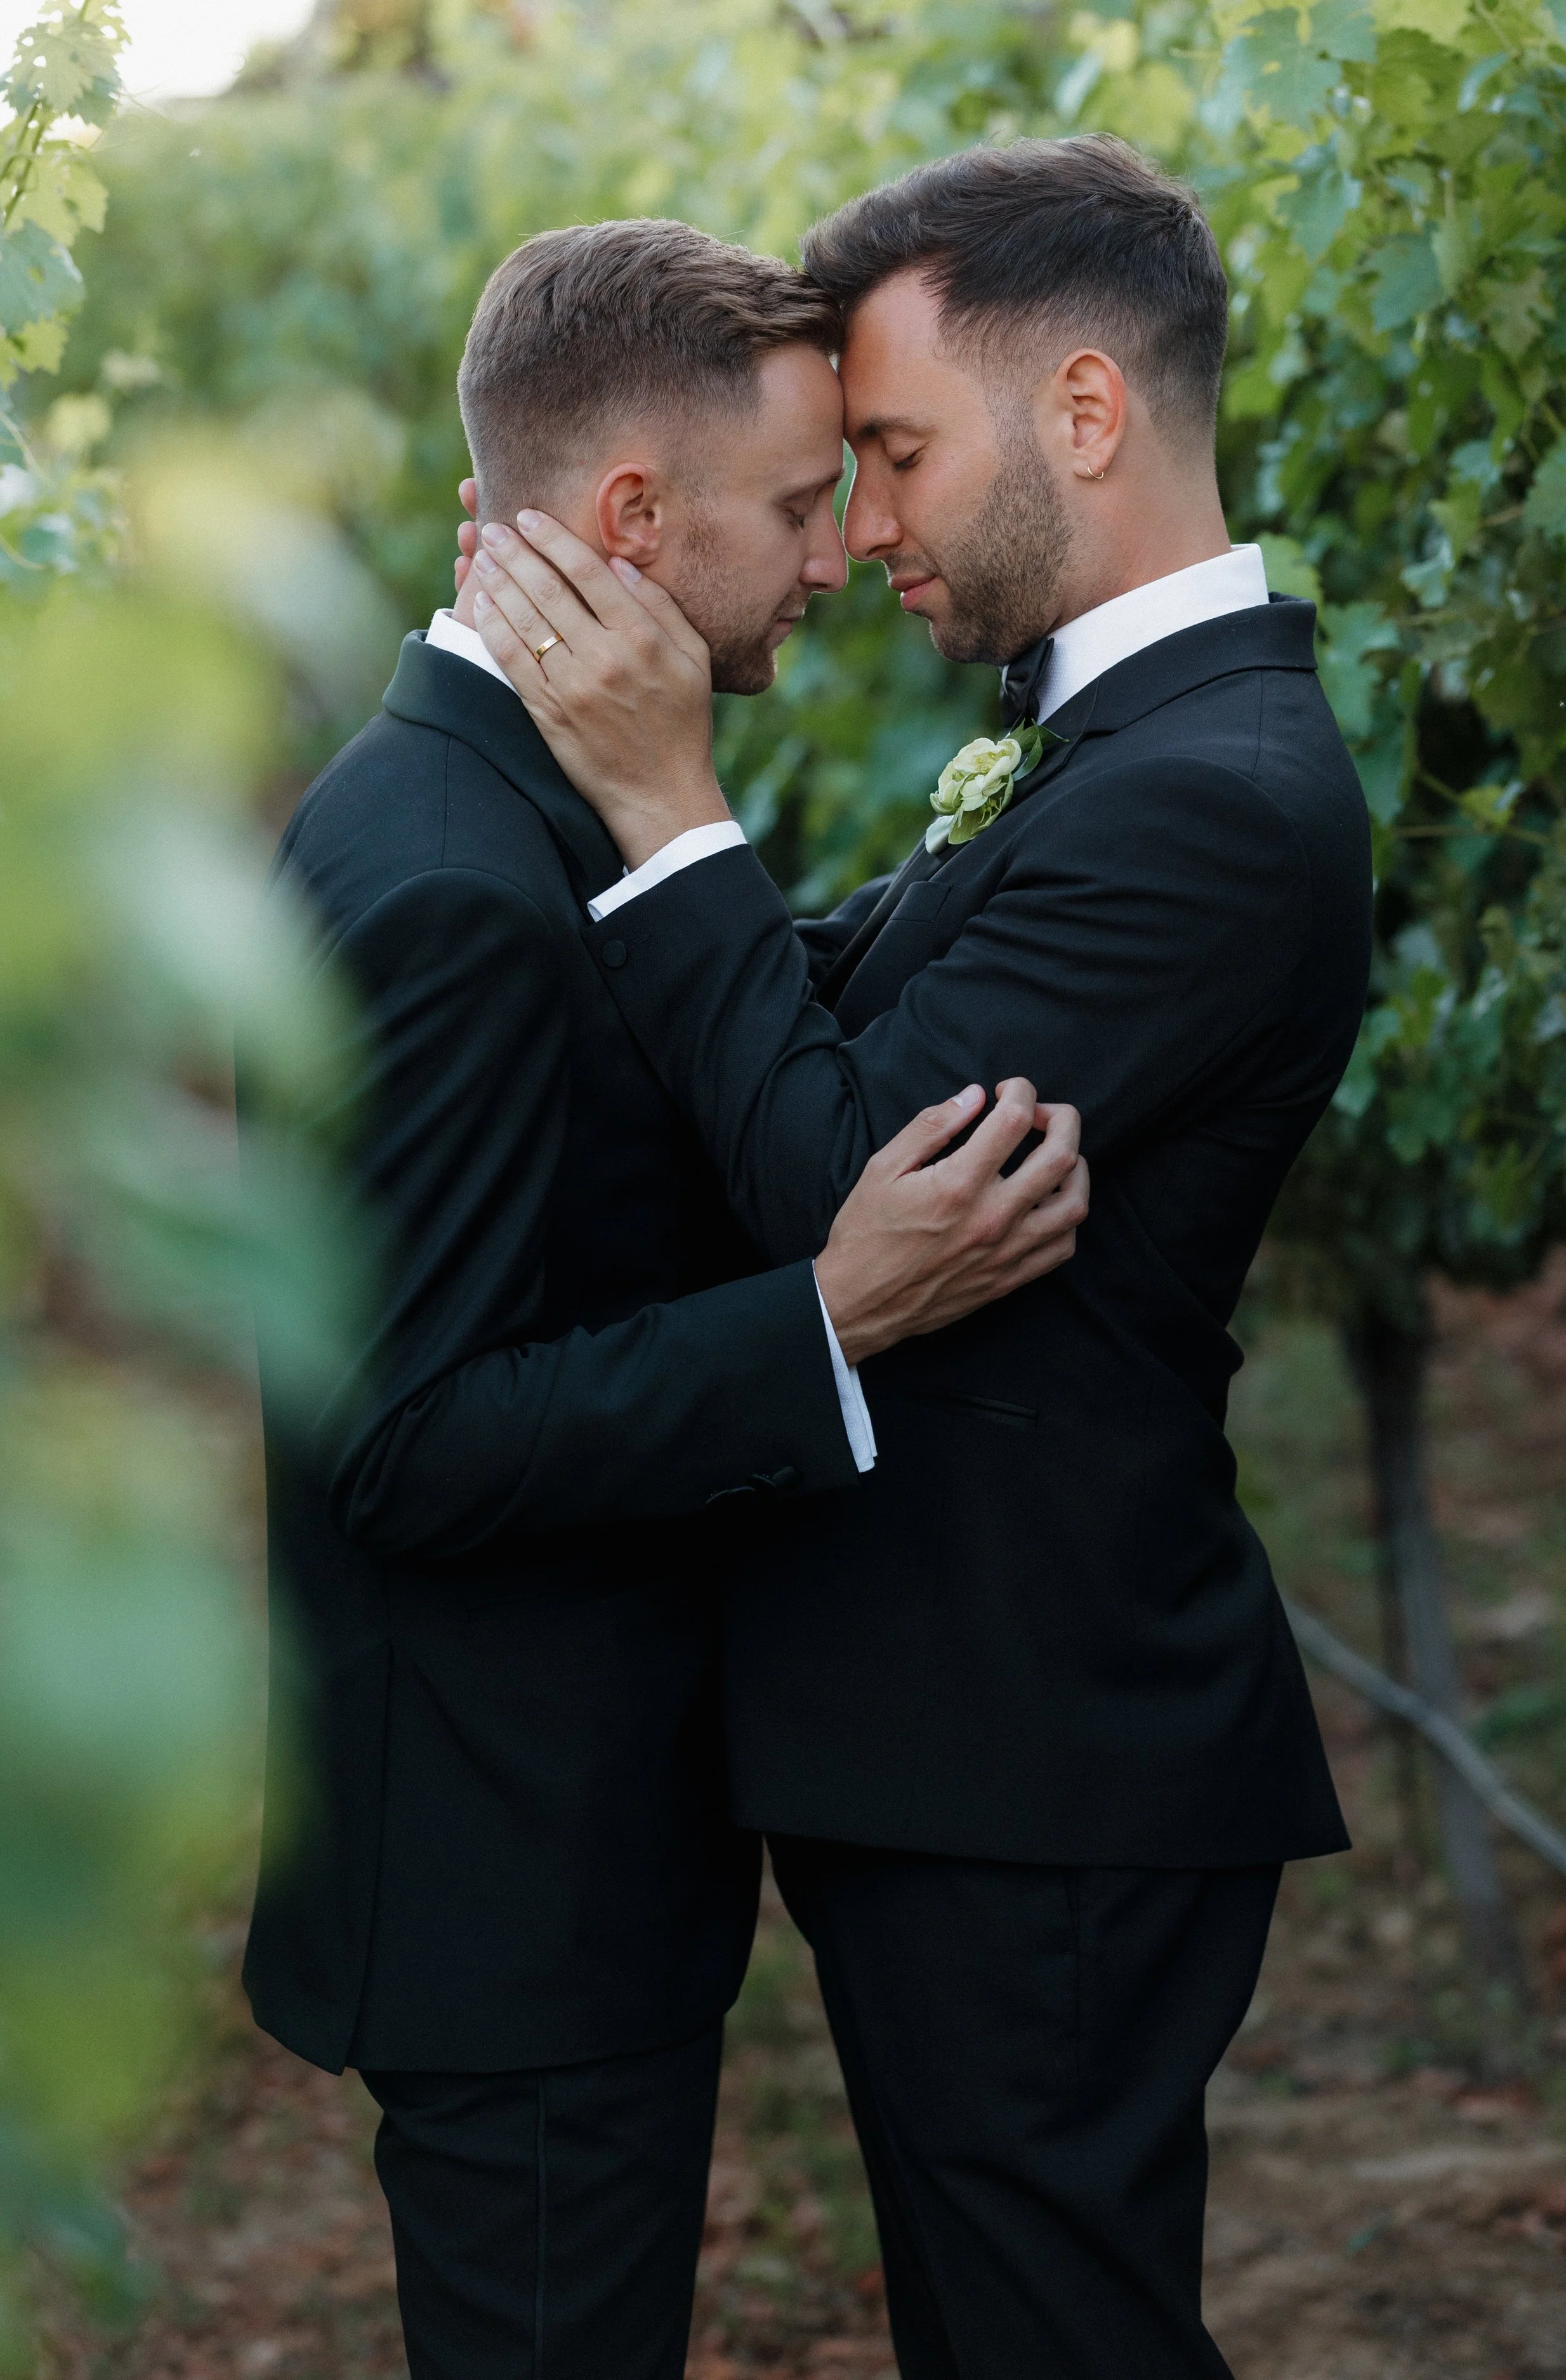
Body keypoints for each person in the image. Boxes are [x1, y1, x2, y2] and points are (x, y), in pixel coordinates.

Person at [466, 135, 1374, 2380]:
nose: (860, 528)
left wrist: (668, 807)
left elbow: (836, 1162)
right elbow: (813, 1006)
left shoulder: (1214, 790)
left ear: (1081, 412)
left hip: (1040, 1742)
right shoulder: (1097, 737)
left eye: (889, 452)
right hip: (969, 1734)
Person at [244, 218, 1088, 2380]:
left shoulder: (524, 802)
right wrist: (830, 1313)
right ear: (632, 517)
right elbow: (403, 1437)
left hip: (557, 1870)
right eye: (803, 505)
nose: (835, 555)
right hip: (508, 1903)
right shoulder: (442, 874)